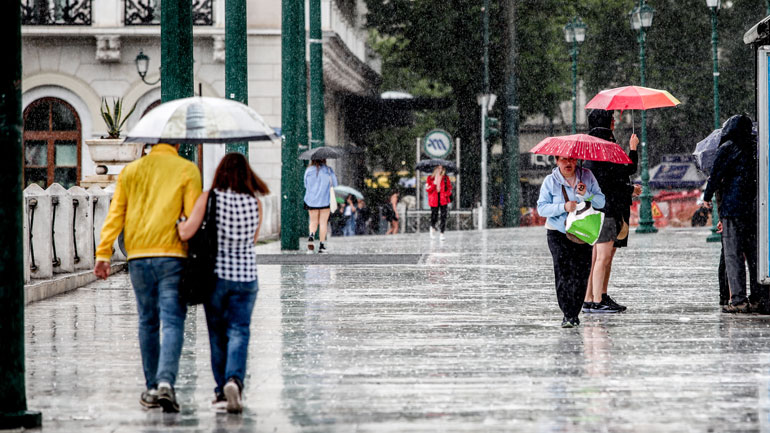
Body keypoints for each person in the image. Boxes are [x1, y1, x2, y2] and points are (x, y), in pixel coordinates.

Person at [93, 142, 202, 412]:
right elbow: (191, 219)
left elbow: (116, 213)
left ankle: (152, 386)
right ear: (177, 143)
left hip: (139, 256)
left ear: (148, 142)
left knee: (148, 321)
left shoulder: (131, 171)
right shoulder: (187, 170)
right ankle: (166, 381)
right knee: (173, 321)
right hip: (173, 255)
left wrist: (103, 253)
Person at [177, 153, 269, 413]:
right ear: (247, 174)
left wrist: (180, 220)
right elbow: (252, 240)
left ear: (220, 172)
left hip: (216, 276)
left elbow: (186, 232)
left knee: (217, 336)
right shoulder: (255, 202)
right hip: (247, 277)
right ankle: (234, 381)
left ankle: (220, 393)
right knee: (240, 331)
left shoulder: (209, 198)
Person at [582, 109, 641, 314]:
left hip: (596, 209)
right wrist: (633, 149)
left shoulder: (590, 148)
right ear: (607, 123)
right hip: (607, 210)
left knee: (597, 256)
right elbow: (622, 173)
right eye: (612, 119)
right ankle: (598, 300)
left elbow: (610, 176)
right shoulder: (606, 147)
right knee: (603, 257)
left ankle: (592, 297)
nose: (615, 122)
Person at [537, 155, 605, 328]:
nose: (568, 163)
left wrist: (587, 194)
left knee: (581, 272)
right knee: (563, 271)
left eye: (572, 160)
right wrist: (563, 207)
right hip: (557, 232)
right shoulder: (550, 181)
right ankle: (568, 314)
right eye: (564, 160)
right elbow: (542, 208)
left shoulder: (587, 176)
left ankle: (575, 309)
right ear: (556, 161)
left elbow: (601, 201)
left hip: (582, 232)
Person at [703, 114, 758, 313]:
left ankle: (738, 300)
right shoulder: (755, 147)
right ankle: (759, 297)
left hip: (732, 209)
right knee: (754, 255)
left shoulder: (726, 148)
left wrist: (707, 197)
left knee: (733, 255)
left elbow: (715, 175)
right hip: (753, 209)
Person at [304, 159, 338, 253]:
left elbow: (305, 185)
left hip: (311, 200)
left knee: (313, 221)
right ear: (324, 159)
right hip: (325, 200)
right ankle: (321, 245)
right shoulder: (328, 170)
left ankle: (311, 235)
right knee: (323, 223)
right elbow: (335, 185)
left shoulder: (308, 170)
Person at [426, 165, 453, 241]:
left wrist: (445, 194)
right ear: (435, 169)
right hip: (434, 199)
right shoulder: (430, 178)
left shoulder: (445, 178)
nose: (440, 169)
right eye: (438, 168)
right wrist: (434, 183)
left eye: (441, 168)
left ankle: (442, 233)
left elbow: (449, 188)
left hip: (443, 199)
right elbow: (428, 189)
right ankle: (432, 227)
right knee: (434, 215)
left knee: (443, 216)